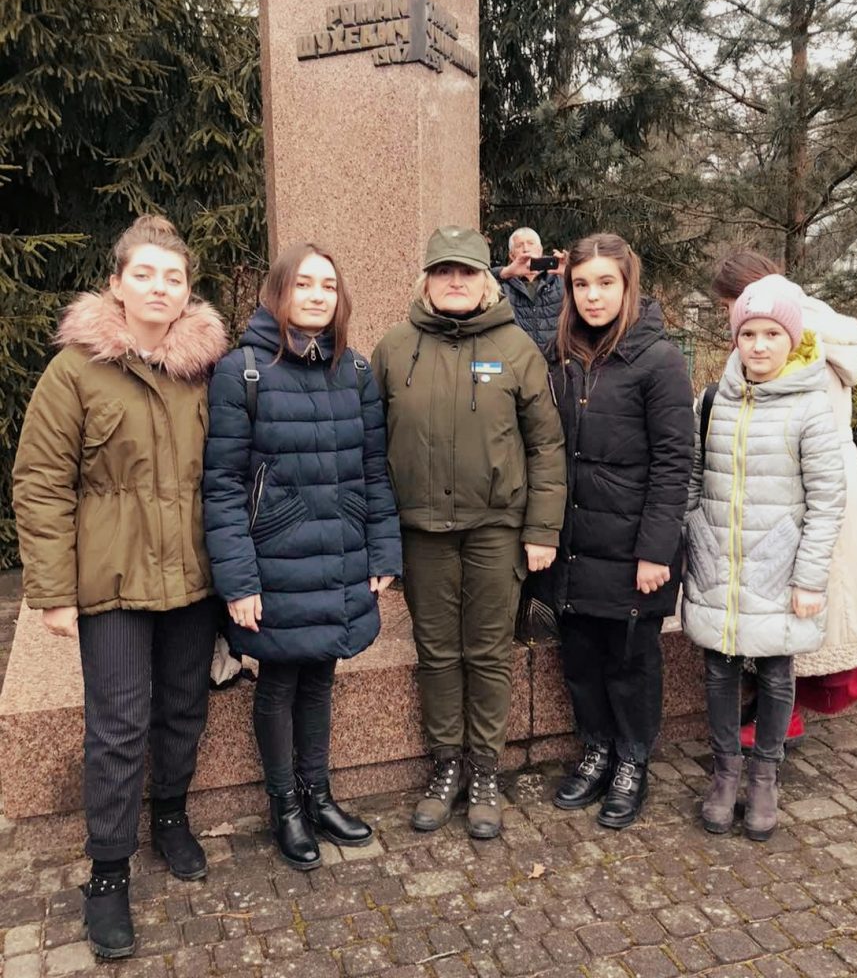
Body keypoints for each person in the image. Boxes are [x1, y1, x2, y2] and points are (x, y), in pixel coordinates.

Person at [12, 215, 228, 959]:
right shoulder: (75, 372)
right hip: (112, 582)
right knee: (118, 726)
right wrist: (52, 591)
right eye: (145, 275)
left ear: (188, 291)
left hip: (194, 577)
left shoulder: (206, 371)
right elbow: (41, 482)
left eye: (174, 277)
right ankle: (107, 870)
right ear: (117, 284)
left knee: (183, 707)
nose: (159, 288)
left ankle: (169, 815)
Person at [202, 243, 401, 870]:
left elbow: (374, 470)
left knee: (320, 676)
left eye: (329, 286)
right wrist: (238, 582)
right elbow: (222, 486)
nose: (318, 295)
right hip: (274, 560)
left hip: (340, 551)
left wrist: (382, 550)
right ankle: (284, 805)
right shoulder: (241, 372)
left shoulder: (356, 371)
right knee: (279, 681)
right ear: (279, 292)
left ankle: (319, 795)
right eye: (305, 284)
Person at [371, 225, 566, 839]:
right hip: (421, 531)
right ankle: (446, 766)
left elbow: (546, 446)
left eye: (466, 272)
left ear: (487, 281)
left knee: (487, 653)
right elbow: (371, 449)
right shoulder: (394, 349)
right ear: (426, 280)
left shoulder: (516, 348)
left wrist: (542, 530)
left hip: (495, 530)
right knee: (436, 653)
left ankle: (484, 770)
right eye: (443, 271)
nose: (454, 282)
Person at [712, 253, 857, 734]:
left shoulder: (785, 337)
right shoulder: (822, 326)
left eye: (728, 305)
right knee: (842, 579)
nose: (731, 317)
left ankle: (780, 717)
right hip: (834, 470)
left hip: (799, 481)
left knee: (787, 602)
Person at [685, 277, 845, 840]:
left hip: (779, 566)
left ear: (791, 339)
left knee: (776, 670)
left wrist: (810, 578)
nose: (758, 345)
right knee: (718, 667)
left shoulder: (811, 405)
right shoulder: (712, 400)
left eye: (772, 334)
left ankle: (764, 775)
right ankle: (725, 771)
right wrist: (690, 535)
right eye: (748, 333)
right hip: (718, 561)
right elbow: (694, 476)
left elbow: (826, 501)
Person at [547, 233, 694, 828]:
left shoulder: (658, 359)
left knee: (630, 662)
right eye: (582, 284)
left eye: (606, 283)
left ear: (628, 285)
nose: (593, 296)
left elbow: (674, 462)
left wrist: (656, 549)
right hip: (573, 543)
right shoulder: (559, 354)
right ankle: (597, 749)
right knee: (580, 657)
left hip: (634, 546)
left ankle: (633, 759)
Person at [493, 227, 568, 348]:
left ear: (540, 250)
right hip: (518, 355)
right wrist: (505, 272)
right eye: (519, 246)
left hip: (556, 355)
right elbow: (476, 281)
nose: (526, 249)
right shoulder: (503, 284)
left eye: (530, 243)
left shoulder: (559, 280)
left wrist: (571, 271)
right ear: (511, 255)